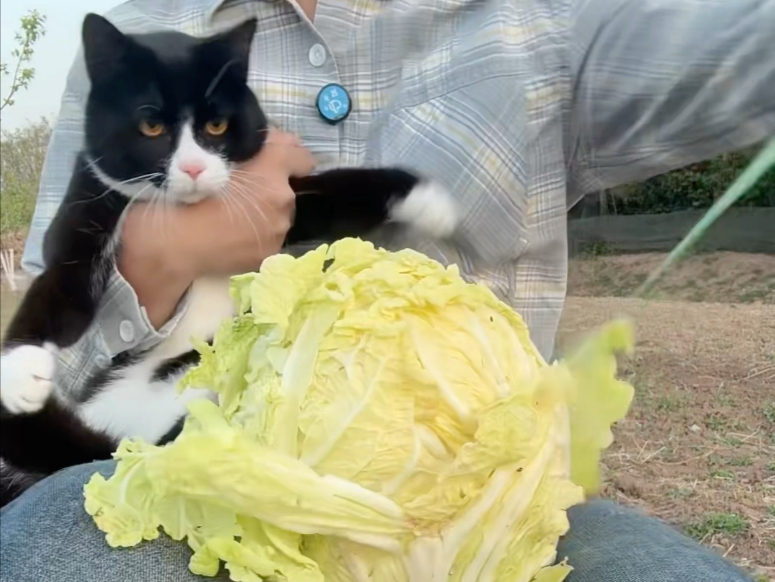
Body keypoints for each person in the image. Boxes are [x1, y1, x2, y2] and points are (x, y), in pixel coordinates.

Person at [2, 0, 772, 580]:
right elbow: (42, 385)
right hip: (195, 495)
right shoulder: (140, 33)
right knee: (48, 545)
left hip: (486, 512)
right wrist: (156, 257)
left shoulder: (538, 21)